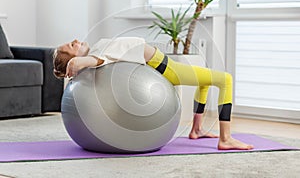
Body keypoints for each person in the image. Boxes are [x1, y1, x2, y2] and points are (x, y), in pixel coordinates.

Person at [53, 37, 254, 150]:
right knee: (225, 79)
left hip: (165, 66)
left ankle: (197, 130)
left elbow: (100, 58)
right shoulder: (95, 56)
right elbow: (99, 60)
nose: (77, 40)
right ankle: (225, 138)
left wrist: (78, 60)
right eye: (72, 45)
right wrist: (76, 63)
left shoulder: (97, 49)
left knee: (205, 82)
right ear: (75, 58)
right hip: (169, 69)